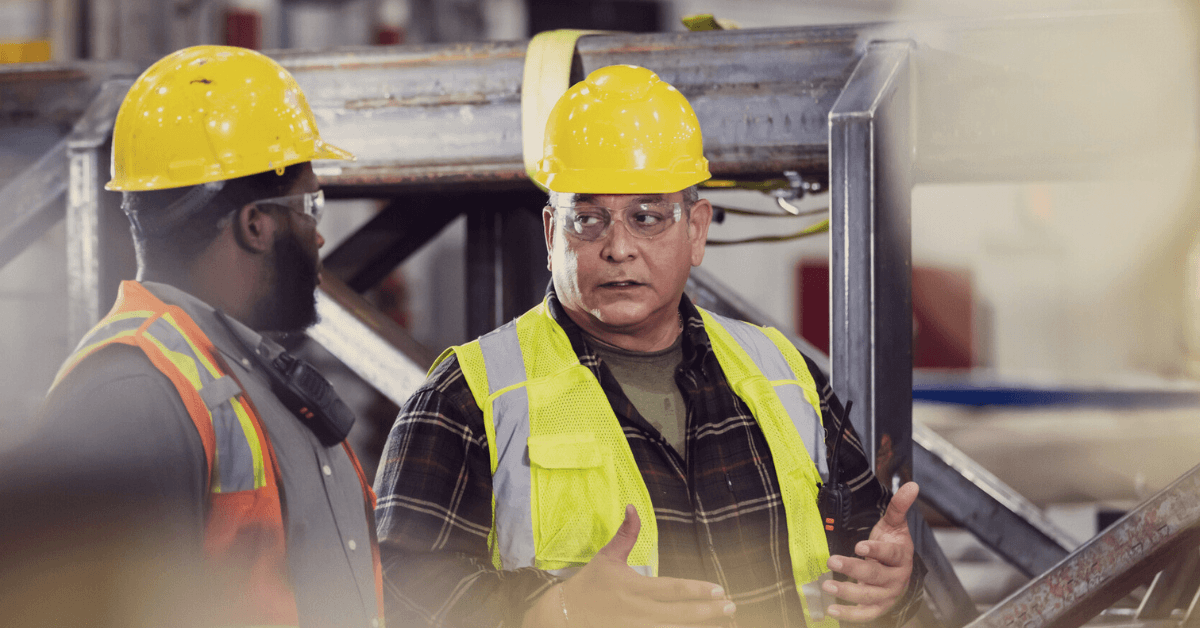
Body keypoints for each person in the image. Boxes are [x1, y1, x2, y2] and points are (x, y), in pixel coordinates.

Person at [373, 64, 925, 628]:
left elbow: (862, 555)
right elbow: (395, 589)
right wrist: (551, 610)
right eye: (587, 219)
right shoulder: (467, 398)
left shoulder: (784, 373)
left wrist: (892, 584)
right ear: (551, 234)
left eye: (646, 217)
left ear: (696, 230)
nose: (618, 248)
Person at [30, 46, 383, 628]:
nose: (318, 236)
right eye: (310, 206)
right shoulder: (132, 395)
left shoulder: (237, 378)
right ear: (256, 224)